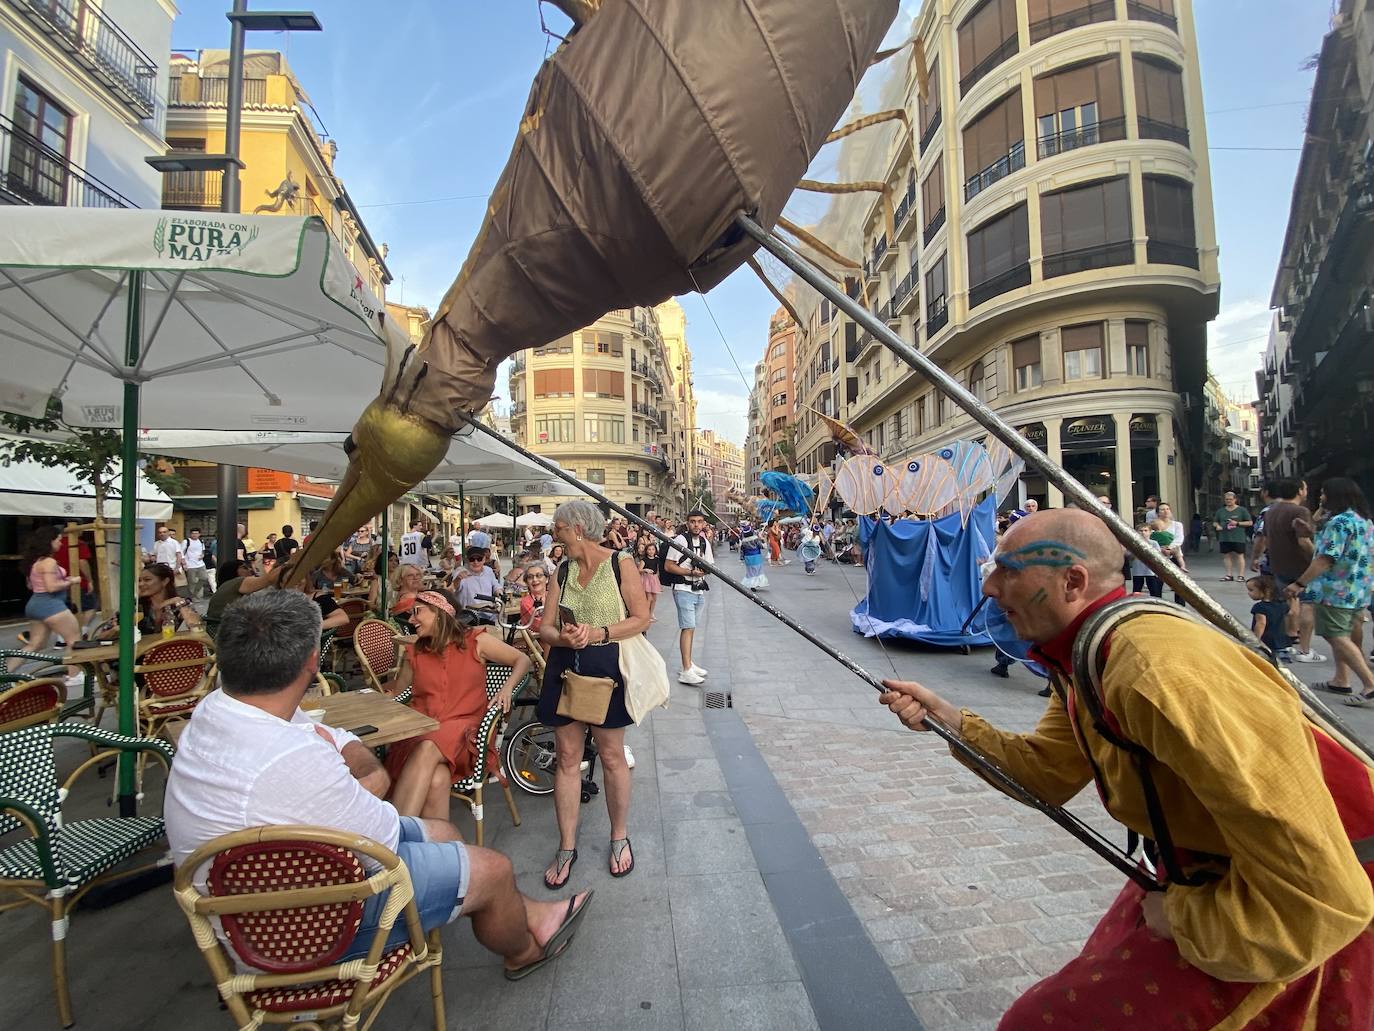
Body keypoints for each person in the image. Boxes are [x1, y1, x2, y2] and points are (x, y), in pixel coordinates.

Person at [880, 508, 1374, 1027]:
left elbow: (1321, 896)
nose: (988, 587)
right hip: (1199, 870)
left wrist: (1181, 921)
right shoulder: (1087, 653)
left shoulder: (1155, 671)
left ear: (1073, 582)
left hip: (1292, 901)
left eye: (1008, 570)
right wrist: (953, 723)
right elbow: (1046, 773)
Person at [163, 589, 592, 981]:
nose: (411, 620)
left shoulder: (212, 713)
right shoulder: (295, 759)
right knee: (493, 868)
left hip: (259, 902)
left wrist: (372, 769)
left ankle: (527, 912)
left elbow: (334, 737)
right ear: (312, 659)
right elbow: (382, 848)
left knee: (444, 829)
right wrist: (375, 776)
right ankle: (523, 950)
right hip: (305, 932)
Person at [538, 500, 649, 886]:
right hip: (565, 668)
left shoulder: (621, 563)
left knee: (612, 756)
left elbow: (641, 618)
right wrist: (563, 637)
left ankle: (619, 836)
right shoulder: (562, 570)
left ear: (579, 529)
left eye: (559, 528)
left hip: (607, 669)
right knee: (568, 758)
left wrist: (599, 632)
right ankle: (566, 846)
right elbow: (545, 627)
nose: (555, 534)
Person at [382, 589, 530, 818]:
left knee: (429, 746)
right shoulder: (415, 652)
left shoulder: (475, 641)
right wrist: (378, 697)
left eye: (417, 612)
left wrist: (507, 688)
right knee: (437, 778)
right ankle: (430, 839)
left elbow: (522, 659)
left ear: (439, 612)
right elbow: (397, 695)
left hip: (466, 735)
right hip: (423, 731)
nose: (411, 620)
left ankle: (393, 832)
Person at [1285, 477, 1374, 703]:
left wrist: (1299, 583)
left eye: (1324, 493)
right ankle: (1341, 680)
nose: (1321, 497)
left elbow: (1325, 558)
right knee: (1345, 632)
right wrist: (1312, 530)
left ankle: (1370, 684)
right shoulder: (1364, 520)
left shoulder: (1338, 523)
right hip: (1358, 588)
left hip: (1334, 590)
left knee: (1335, 635)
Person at [1255, 479, 1322, 662]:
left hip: (1278, 564)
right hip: (1301, 565)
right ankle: (1305, 650)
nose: (1306, 490)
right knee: (1307, 604)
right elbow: (1303, 541)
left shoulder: (1271, 511)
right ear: (1300, 491)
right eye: (1305, 488)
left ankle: (1284, 642)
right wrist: (1317, 558)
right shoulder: (1300, 511)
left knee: (1284, 604)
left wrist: (1257, 557)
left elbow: (1265, 538)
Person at [20, 526, 84, 687]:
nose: (61, 544)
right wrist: (71, 581)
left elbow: (32, 585)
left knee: (34, 644)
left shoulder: (36, 562)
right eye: (58, 540)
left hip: (35, 603)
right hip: (51, 605)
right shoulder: (49, 562)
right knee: (74, 639)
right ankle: (74, 675)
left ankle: (5, 672)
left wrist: (62, 580)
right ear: (50, 541)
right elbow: (51, 587)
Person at [664, 509, 713, 685]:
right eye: (693, 521)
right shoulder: (680, 540)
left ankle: (689, 664)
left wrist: (703, 571)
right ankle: (686, 670)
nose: (696, 525)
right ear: (687, 523)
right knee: (687, 627)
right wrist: (690, 572)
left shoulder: (704, 541)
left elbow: (709, 564)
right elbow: (668, 566)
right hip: (683, 588)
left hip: (698, 589)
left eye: (699, 521)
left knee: (691, 628)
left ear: (703, 523)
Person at [1247, 574, 1292, 656]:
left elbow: (1261, 623)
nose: (1248, 593)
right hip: (1282, 640)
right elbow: (1290, 615)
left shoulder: (1260, 607)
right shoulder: (1282, 604)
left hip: (1267, 642)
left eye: (1251, 590)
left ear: (1266, 590)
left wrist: (1255, 640)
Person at [1212, 491, 1253, 581]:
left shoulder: (1242, 510)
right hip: (1224, 537)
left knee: (1239, 555)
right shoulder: (1220, 511)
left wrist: (1237, 523)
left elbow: (1250, 522)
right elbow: (1215, 522)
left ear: (1235, 500)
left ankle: (1241, 576)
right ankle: (1229, 575)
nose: (1228, 501)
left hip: (1238, 537)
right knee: (1226, 556)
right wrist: (1217, 526)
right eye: (1227, 499)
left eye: (1230, 499)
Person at [452, 546, 503, 613]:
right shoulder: (460, 571)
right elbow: (453, 589)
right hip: (469, 614)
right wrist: (458, 579)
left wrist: (500, 593)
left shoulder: (488, 570)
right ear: (467, 560)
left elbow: (496, 585)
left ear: (484, 559)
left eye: (479, 559)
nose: (476, 562)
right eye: (472, 559)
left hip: (488, 612)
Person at [179, 528, 212, 600]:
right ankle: (192, 597)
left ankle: (195, 593)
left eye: (196, 533)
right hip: (190, 565)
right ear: (190, 534)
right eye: (193, 533)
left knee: (204, 578)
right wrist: (184, 563)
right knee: (192, 581)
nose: (194, 535)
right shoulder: (186, 541)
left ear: (199, 534)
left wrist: (202, 555)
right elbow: (181, 552)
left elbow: (202, 551)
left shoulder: (201, 541)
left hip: (200, 564)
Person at [639, 542, 662, 620]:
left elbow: (657, 570)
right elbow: (639, 570)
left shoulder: (657, 559)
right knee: (649, 598)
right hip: (647, 579)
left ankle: (651, 613)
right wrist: (645, 570)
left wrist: (658, 579)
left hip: (654, 578)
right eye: (649, 549)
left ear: (655, 550)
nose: (651, 551)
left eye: (653, 549)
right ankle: (646, 614)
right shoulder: (644, 560)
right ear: (646, 551)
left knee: (654, 598)